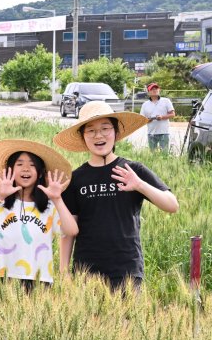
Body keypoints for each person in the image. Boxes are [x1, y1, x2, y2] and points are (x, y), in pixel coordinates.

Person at [54, 101, 179, 292]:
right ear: (82, 137)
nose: (99, 135)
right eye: (91, 131)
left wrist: (139, 185)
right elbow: (69, 230)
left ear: (116, 133)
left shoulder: (133, 170)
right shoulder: (76, 178)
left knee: (126, 322)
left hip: (126, 267)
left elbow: (172, 205)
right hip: (86, 270)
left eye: (105, 128)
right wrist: (64, 271)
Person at [0, 140, 78, 292]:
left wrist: (57, 199)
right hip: (4, 275)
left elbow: (72, 231)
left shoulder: (49, 207)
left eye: (32, 165)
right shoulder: (1, 204)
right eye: (19, 164)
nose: (25, 169)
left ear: (40, 172)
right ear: (9, 170)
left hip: (39, 278)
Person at [139, 82, 175, 152]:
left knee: (164, 154)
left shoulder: (166, 101)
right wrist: (148, 120)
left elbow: (173, 114)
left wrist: (162, 117)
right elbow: (142, 119)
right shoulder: (145, 104)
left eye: (156, 88)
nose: (155, 90)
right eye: (152, 89)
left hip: (164, 132)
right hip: (151, 133)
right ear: (148, 92)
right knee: (153, 155)